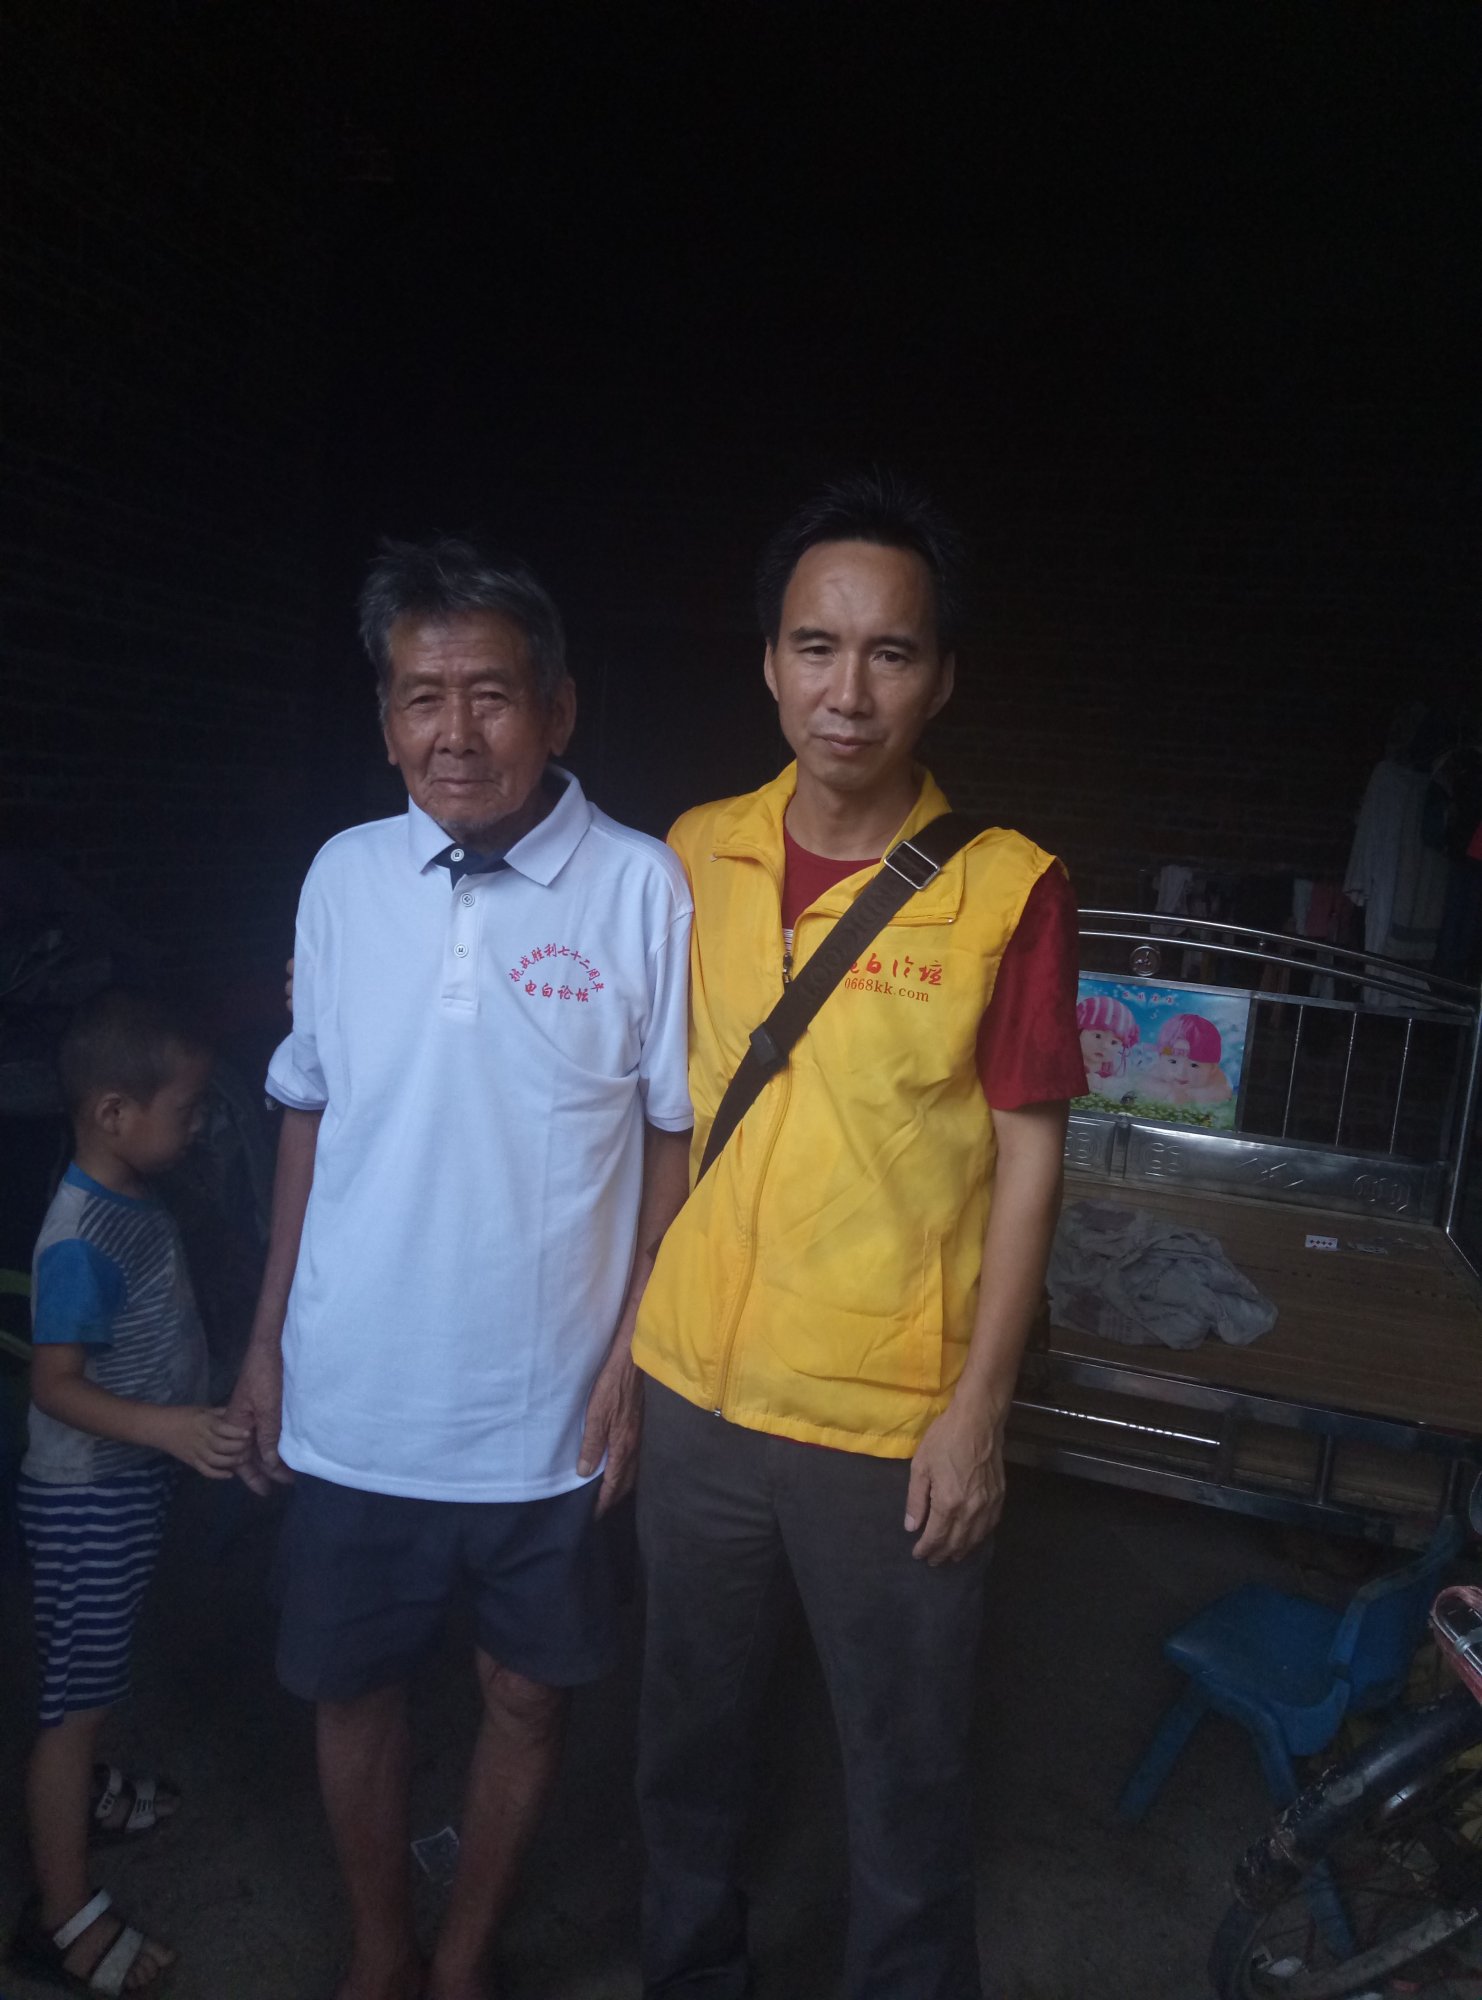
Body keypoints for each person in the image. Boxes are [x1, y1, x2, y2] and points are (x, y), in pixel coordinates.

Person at [631, 474, 1085, 1999]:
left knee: (904, 1775)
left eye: (890, 653)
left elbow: (1028, 1160)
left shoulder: (1006, 890)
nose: (847, 691)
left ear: (940, 677)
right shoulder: (690, 854)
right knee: (685, 1744)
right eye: (815, 648)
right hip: (693, 1392)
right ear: (768, 662)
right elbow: (638, 1096)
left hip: (885, 1423)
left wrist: (977, 1416)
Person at [228, 537, 693, 2000]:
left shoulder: (643, 889)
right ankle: (382, 1948)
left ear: (559, 708)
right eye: (421, 698)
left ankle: (466, 1956)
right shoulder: (342, 876)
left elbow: (673, 1140)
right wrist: (266, 1341)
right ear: (384, 722)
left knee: (525, 1694)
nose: (455, 732)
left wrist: (634, 1359)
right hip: (356, 1394)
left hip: (545, 1412)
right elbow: (307, 1111)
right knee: (351, 1689)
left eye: (490, 694)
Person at [11, 989, 246, 1996]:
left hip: (125, 1483)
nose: (197, 1125)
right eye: (185, 1108)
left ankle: (89, 1793)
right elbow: (54, 1384)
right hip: (87, 1497)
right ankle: (62, 1915)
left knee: (96, 1671)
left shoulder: (133, 1196)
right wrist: (171, 1429)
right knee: (76, 1700)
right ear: (113, 1113)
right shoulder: (78, 1237)